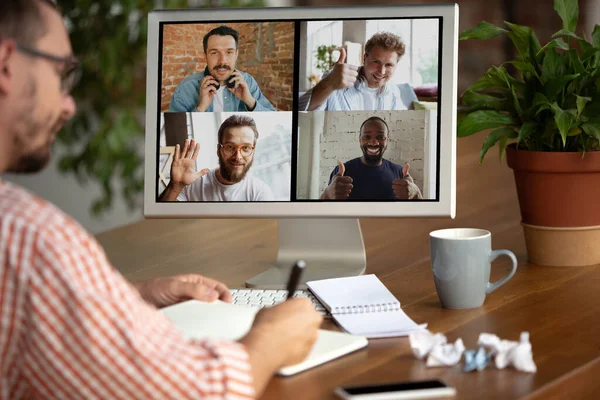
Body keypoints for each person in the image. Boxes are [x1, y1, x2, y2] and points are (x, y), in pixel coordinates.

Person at [0, 1, 322, 398]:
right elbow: (190, 394)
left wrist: (133, 296)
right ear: (6, 65)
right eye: (60, 72)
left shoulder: (249, 86)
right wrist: (270, 340)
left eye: (230, 53)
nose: (69, 104)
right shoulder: (28, 239)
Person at [158, 115, 274, 201]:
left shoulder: (260, 193)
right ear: (219, 150)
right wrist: (175, 186)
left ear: (253, 151)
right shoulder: (192, 184)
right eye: (230, 147)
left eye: (246, 148)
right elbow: (159, 221)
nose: (238, 157)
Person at [299, 32, 418, 112]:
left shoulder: (394, 92)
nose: (381, 71)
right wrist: (329, 84)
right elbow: (301, 112)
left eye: (389, 65)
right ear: (364, 58)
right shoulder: (335, 79)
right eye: (376, 62)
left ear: (396, 65)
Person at [169, 25, 276, 112]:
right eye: (214, 53)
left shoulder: (248, 82)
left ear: (236, 54)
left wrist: (250, 102)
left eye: (229, 52)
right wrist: (200, 108)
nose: (222, 61)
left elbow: (273, 120)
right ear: (205, 56)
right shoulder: (185, 88)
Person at [320, 116, 423, 200]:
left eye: (380, 137)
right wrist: (327, 194)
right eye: (367, 137)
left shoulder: (400, 172)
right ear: (360, 139)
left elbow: (420, 214)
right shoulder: (341, 173)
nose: (374, 142)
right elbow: (322, 213)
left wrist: (415, 193)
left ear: (387, 140)